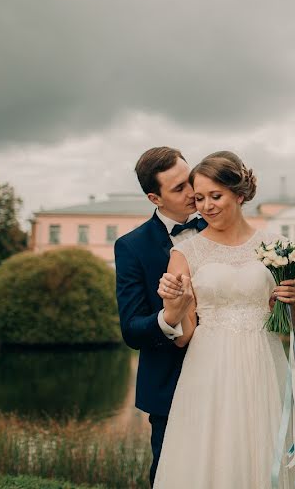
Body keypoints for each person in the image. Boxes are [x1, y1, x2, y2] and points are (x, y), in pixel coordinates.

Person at [153, 151, 295, 489]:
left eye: (215, 195)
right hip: (208, 369)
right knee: (211, 453)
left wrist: (291, 301)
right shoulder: (185, 253)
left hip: (264, 365)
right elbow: (181, 335)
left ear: (239, 194)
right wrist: (174, 306)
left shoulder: (276, 247)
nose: (206, 206)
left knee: (262, 448)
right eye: (199, 198)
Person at [114, 147, 208, 488]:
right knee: (171, 477)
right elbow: (131, 329)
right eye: (179, 188)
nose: (193, 192)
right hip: (170, 384)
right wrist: (169, 316)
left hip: (230, 373)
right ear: (155, 197)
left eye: (191, 180)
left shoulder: (223, 228)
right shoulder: (131, 247)